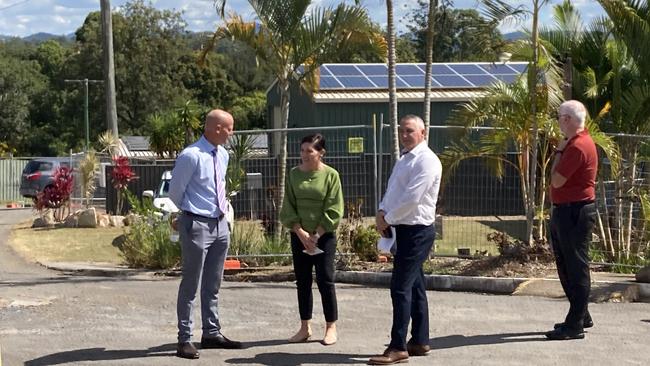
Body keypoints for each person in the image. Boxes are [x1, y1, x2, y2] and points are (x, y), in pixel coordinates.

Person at [368, 115, 442, 365]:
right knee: (415, 286)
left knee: (400, 287)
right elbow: (393, 191)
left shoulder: (427, 161)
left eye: (409, 131)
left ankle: (398, 346)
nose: (404, 134)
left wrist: (386, 218)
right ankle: (420, 340)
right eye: (401, 130)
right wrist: (381, 211)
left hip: (417, 231)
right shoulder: (405, 159)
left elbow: (413, 198)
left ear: (423, 132)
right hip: (403, 229)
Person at [169, 109, 241, 359]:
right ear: (216, 128)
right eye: (229, 128)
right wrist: (189, 215)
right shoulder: (191, 156)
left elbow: (218, 185)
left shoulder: (223, 154)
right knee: (190, 283)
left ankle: (211, 333)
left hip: (220, 224)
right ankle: (184, 339)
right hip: (197, 224)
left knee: (213, 283)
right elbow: (175, 192)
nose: (232, 133)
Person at [279, 133, 344, 346]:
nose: (305, 155)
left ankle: (331, 327)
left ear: (321, 153)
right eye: (302, 150)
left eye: (310, 151)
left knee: (325, 280)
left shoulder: (331, 175)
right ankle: (305, 327)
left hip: (323, 237)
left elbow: (334, 207)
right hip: (300, 236)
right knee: (303, 281)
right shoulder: (293, 174)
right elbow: (288, 205)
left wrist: (316, 234)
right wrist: (300, 232)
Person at [546, 100, 598, 341]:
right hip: (569, 210)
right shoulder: (579, 143)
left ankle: (575, 323)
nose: (558, 121)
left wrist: (558, 150)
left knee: (575, 268)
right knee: (568, 265)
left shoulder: (576, 146)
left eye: (560, 117)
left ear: (567, 119)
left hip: (573, 212)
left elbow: (556, 180)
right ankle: (581, 314)